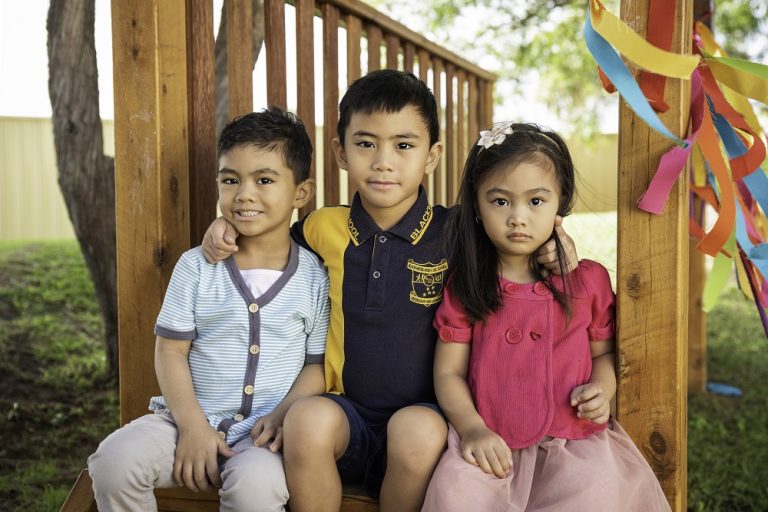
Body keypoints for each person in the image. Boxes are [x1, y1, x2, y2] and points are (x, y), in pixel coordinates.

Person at [202, 70, 576, 512]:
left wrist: (555, 247)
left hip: (427, 413)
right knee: (306, 420)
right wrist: (224, 229)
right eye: (365, 144)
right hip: (344, 409)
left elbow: (517, 240)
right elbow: (266, 243)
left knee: (416, 433)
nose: (383, 161)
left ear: (432, 156)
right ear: (341, 152)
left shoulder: (457, 229)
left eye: (403, 145)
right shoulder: (324, 227)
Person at [88, 107, 330, 512]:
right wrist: (192, 426)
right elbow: (170, 351)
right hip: (182, 422)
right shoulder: (197, 266)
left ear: (300, 194)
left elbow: (315, 365)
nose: (244, 194)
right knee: (114, 462)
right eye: (231, 180)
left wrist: (285, 414)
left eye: (264, 180)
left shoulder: (314, 278)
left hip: (262, 438)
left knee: (257, 490)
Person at [421, 122, 671, 512]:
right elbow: (448, 372)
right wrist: (471, 428)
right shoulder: (468, 283)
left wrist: (602, 391)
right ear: (476, 204)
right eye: (500, 201)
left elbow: (604, 355)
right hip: (491, 442)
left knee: (594, 496)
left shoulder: (587, 280)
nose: (518, 217)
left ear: (561, 201)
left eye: (536, 201)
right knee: (456, 495)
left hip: (573, 445)